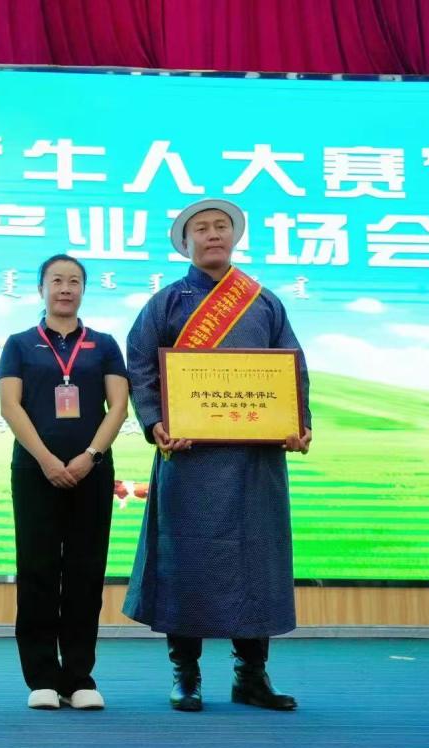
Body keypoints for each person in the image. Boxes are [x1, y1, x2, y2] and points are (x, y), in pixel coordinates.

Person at [123, 198, 312, 712]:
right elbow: (141, 366)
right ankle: (185, 675)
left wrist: (298, 423)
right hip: (189, 458)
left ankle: (251, 675)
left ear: (234, 237)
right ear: (185, 243)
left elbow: (292, 367)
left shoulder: (264, 302)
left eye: (221, 227)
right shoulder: (166, 303)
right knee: (185, 561)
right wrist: (156, 423)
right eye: (201, 229)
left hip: (255, 461)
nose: (212, 234)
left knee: (256, 560)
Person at [0, 254, 129, 711]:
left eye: (74, 281)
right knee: (37, 571)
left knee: (85, 572)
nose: (66, 288)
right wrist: (48, 460)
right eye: (57, 280)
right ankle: (41, 677)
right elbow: (11, 406)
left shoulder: (104, 344)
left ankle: (78, 677)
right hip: (35, 471)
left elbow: (118, 407)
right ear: (42, 289)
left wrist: (90, 456)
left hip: (92, 472)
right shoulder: (19, 344)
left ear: (84, 290)